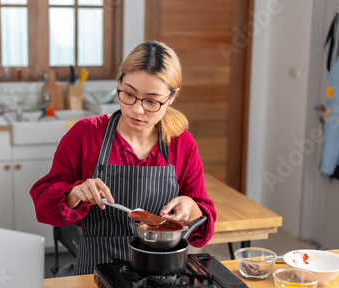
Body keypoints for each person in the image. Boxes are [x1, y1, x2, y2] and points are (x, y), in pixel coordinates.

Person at [30, 41, 216, 275]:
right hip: (95, 273)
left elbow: (204, 224)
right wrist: (73, 194)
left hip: (160, 276)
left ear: (171, 97)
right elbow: (43, 208)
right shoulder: (85, 135)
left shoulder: (181, 143)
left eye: (151, 100)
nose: (137, 110)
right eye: (128, 94)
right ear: (118, 83)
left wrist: (191, 208)